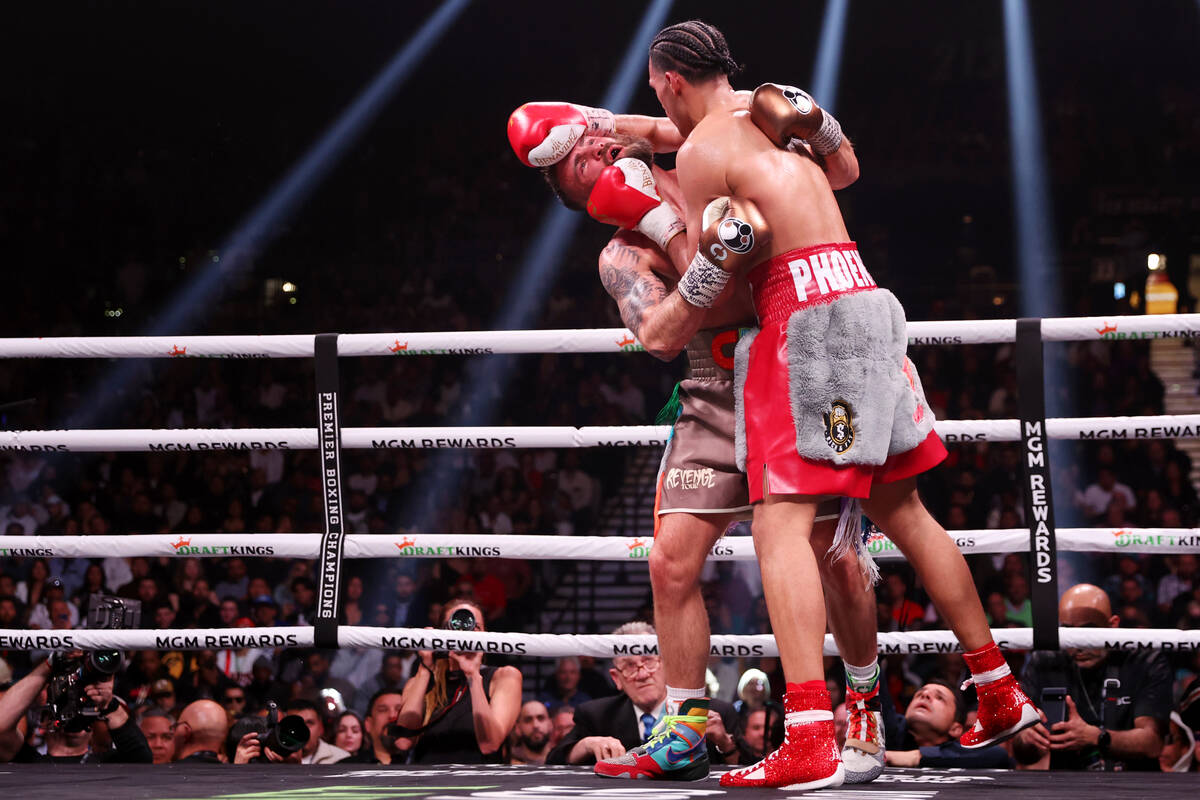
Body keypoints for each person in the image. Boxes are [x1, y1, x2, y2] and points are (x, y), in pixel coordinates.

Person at [608, 19, 1040, 788]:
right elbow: (846, 173)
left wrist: (693, 272)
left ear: (671, 81)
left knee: (781, 525)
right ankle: (1000, 689)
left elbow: (735, 278)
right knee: (906, 514)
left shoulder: (704, 149)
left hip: (800, 320)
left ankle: (809, 732)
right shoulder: (763, 108)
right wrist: (607, 125)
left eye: (657, 95)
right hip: (866, 300)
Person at [509, 78, 886, 784]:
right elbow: (657, 334)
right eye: (582, 169)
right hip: (714, 391)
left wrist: (610, 126)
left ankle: (863, 701)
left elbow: (757, 166)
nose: (597, 153)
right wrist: (687, 247)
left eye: (593, 145)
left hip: (799, 363)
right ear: (589, 199)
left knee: (834, 555)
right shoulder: (623, 254)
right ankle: (683, 727)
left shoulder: (701, 154)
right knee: (670, 560)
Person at [1013, 583, 1171, 771]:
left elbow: (1152, 744)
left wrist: (1095, 737)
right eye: (1069, 632)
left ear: (1113, 625)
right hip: (1066, 786)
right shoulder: (1045, 662)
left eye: (1088, 631)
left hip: (1135, 787)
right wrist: (1027, 738)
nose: (1079, 645)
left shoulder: (1144, 660)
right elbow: (1021, 752)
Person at [546, 621, 741, 768]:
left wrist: (724, 743)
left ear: (666, 665)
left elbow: (749, 770)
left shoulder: (715, 712)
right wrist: (587, 744)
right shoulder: (596, 715)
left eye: (648, 661)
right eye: (630, 666)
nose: (642, 674)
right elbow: (553, 763)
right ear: (616, 678)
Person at [396, 600, 522, 764]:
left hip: (482, 784)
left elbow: (489, 745)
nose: (465, 633)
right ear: (441, 634)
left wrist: (473, 676)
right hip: (429, 782)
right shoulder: (418, 682)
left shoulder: (505, 677)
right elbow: (403, 742)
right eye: (456, 626)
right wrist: (425, 667)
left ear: (486, 634)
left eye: (474, 627)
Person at [0, 655, 151, 764]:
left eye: (83, 705)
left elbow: (142, 759)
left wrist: (108, 703)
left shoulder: (108, 764)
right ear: (45, 719)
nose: (74, 711)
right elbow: (1, 727)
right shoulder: (28, 763)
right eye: (66, 704)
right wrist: (50, 664)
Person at [882, 680, 1012, 769]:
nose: (925, 695)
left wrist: (916, 757)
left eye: (940, 698)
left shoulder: (961, 754)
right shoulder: (888, 730)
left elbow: (998, 756)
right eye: (919, 694)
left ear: (955, 729)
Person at [286, 698, 349, 764]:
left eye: (309, 723)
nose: (302, 730)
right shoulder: (277, 757)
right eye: (295, 724)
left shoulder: (341, 759)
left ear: (321, 728)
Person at [509, 700, 555, 765]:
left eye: (541, 718)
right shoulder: (507, 760)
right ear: (518, 728)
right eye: (528, 720)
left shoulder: (563, 757)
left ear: (550, 724)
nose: (535, 725)